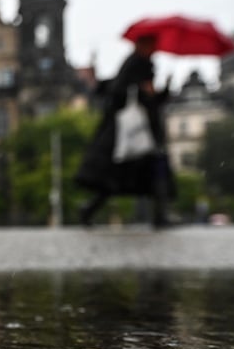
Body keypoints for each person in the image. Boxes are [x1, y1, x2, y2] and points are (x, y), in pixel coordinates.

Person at [75, 35, 175, 228]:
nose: (155, 47)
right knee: (149, 169)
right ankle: (159, 216)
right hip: (135, 129)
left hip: (127, 129)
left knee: (120, 176)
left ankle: (90, 209)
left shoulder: (134, 64)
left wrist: (161, 90)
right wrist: (153, 91)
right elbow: (135, 96)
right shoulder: (139, 65)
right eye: (151, 43)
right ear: (142, 45)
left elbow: (112, 89)